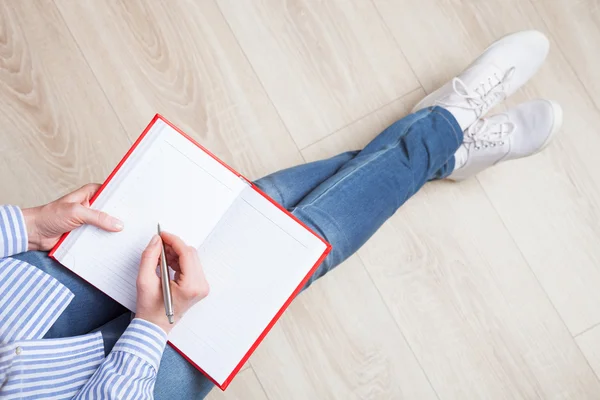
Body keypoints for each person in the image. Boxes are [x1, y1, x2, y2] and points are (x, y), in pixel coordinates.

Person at [0, 30, 561, 399]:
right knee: (290, 257)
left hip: (16, 299)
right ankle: (440, 130)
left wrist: (25, 224)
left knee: (249, 207)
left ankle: (437, 146)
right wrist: (152, 327)